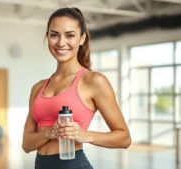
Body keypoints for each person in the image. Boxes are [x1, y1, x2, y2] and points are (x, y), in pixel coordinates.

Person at [21, 7, 131, 169]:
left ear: (82, 39)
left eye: (70, 35)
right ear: (47, 37)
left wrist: (84, 135)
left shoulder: (94, 81)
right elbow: (26, 144)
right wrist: (49, 132)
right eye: (54, 35)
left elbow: (124, 138)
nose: (61, 42)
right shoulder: (38, 88)